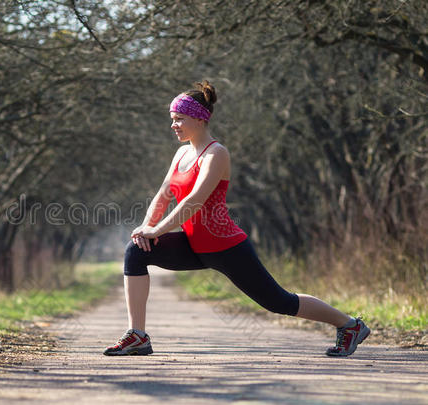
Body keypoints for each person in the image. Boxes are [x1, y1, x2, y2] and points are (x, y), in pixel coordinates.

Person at [103, 80, 370, 357]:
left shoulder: (216, 154)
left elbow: (194, 201)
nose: (174, 125)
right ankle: (138, 335)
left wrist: (157, 230)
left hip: (224, 247)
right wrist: (147, 226)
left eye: (179, 119)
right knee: (136, 251)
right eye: (172, 119)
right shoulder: (182, 153)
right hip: (194, 246)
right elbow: (163, 194)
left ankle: (349, 325)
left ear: (199, 118)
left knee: (279, 302)